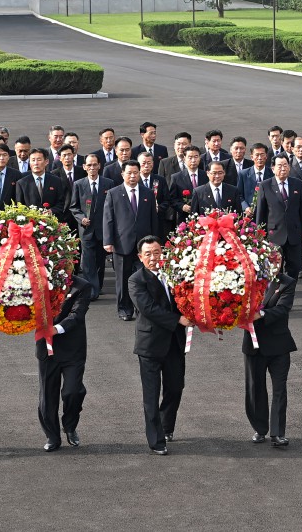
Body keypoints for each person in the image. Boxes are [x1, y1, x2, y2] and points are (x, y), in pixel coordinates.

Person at [129, 236, 189, 456]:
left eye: (156, 252)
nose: (153, 258)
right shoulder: (136, 280)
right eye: (148, 254)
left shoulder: (174, 274)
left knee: (175, 387)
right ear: (140, 257)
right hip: (150, 345)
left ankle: (166, 426)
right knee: (151, 394)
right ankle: (156, 440)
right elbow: (149, 309)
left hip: (174, 343)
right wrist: (178, 320)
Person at [37, 274, 92, 451]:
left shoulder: (82, 286)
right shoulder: (35, 282)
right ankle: (52, 437)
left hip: (72, 348)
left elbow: (77, 314)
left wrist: (56, 329)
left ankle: (69, 425)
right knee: (47, 396)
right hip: (46, 348)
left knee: (73, 391)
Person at [244, 272, 298, 447]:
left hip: (279, 345)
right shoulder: (245, 279)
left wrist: (261, 315)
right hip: (254, 345)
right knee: (255, 388)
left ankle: (278, 433)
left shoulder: (286, 282)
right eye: (270, 259)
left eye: (277, 259)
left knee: (279, 389)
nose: (273, 263)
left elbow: (283, 309)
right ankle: (260, 429)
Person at [103, 160, 158, 320]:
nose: (133, 176)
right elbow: (108, 219)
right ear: (122, 174)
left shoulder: (147, 193)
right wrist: (108, 241)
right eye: (129, 173)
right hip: (122, 243)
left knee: (145, 278)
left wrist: (155, 241)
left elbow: (153, 218)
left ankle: (143, 309)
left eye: (136, 173)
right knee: (122, 279)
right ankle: (124, 309)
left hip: (144, 245)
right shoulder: (113, 193)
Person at [255, 156, 302, 279]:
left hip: (294, 233)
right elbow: (261, 212)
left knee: (294, 268)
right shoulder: (265, 185)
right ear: (273, 168)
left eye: (285, 165)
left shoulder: (297, 184)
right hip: (274, 234)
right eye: (279, 166)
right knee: (275, 269)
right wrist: (259, 234)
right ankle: (276, 294)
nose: (283, 168)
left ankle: (289, 294)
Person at [69, 154, 112, 299]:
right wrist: (82, 219)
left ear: (99, 166)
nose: (92, 168)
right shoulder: (79, 184)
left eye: (95, 165)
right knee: (87, 262)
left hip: (103, 229)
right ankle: (91, 291)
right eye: (89, 165)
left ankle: (97, 287)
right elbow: (73, 207)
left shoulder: (108, 183)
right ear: (84, 167)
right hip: (86, 230)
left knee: (100, 260)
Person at [14, 148, 69, 223]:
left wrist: (51, 211)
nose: (36, 163)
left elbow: (61, 202)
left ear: (46, 162)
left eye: (39, 160)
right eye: (33, 160)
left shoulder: (56, 181)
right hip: (31, 224)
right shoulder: (22, 183)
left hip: (52, 223)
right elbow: (19, 206)